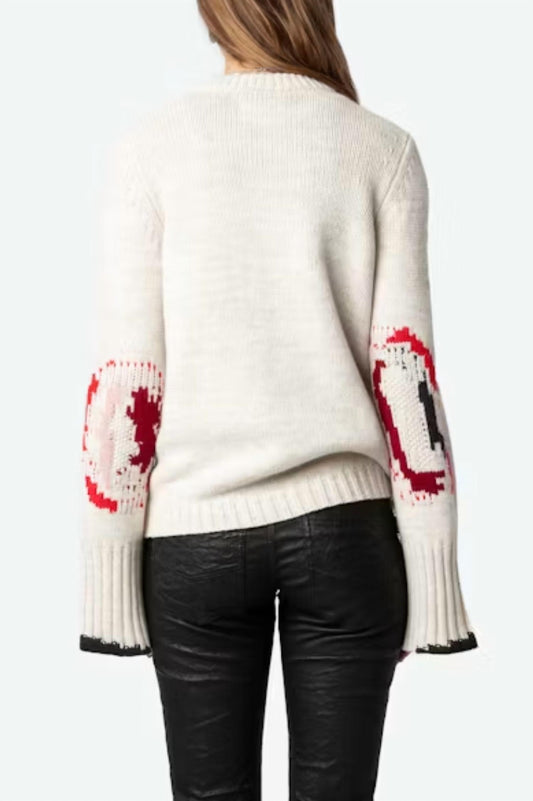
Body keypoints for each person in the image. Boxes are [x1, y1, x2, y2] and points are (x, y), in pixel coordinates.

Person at [78, 0, 479, 798]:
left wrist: (109, 568)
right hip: (348, 537)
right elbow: (406, 376)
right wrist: (431, 571)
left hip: (192, 537)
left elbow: (126, 382)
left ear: (214, 16)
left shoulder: (149, 149)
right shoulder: (383, 150)